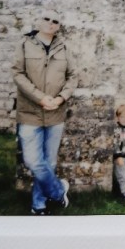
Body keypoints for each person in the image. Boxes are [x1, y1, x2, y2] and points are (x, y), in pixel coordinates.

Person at [12, 11, 77, 215]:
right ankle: (59, 191)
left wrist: (60, 98)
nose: (50, 23)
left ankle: (38, 205)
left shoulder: (64, 48)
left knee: (49, 162)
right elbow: (17, 74)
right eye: (47, 19)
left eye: (55, 21)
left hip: (55, 114)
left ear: (58, 26)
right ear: (39, 21)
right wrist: (40, 98)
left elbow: (73, 76)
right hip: (30, 113)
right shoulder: (24, 44)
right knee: (32, 161)